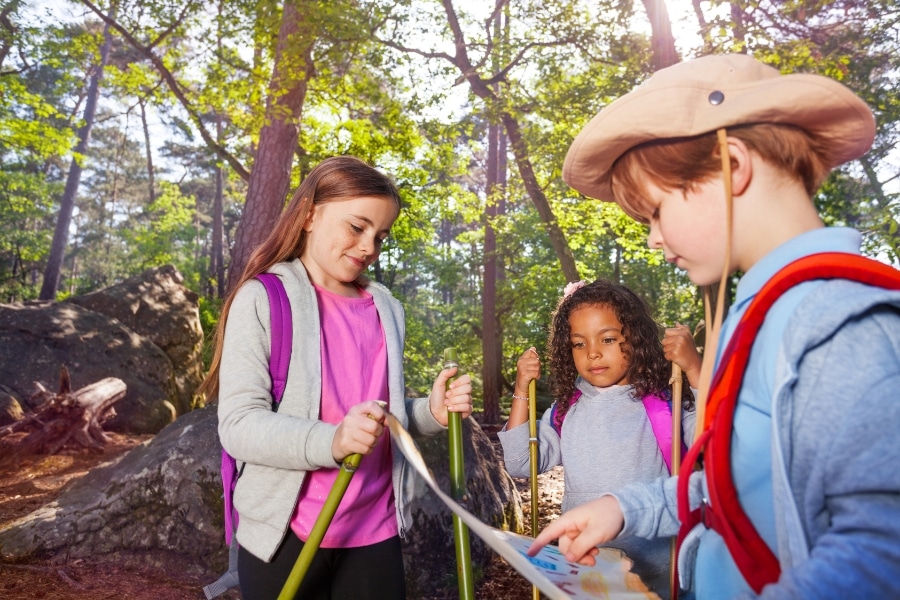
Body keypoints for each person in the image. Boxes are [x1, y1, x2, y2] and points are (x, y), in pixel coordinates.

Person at [528, 53, 900, 599]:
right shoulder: (763, 314)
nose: (653, 239)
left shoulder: (834, 323)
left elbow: (880, 552)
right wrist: (625, 507)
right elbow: (750, 488)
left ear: (732, 166)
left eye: (655, 211)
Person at [201, 156, 474, 600]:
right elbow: (239, 425)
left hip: (374, 527)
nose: (369, 246)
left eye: (380, 236)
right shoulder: (263, 298)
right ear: (309, 213)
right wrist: (332, 441)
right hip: (286, 532)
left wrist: (429, 413)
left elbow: (385, 416)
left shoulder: (386, 306)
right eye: (357, 227)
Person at [499, 278, 696, 598]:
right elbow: (521, 463)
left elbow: (713, 444)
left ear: (636, 337)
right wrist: (522, 390)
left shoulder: (664, 404)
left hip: (657, 572)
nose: (592, 353)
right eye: (579, 343)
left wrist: (694, 368)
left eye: (607, 339)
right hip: (585, 572)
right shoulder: (566, 409)